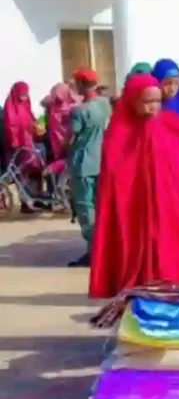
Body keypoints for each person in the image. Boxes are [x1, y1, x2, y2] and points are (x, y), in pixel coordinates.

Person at [88, 74, 179, 299]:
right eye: (147, 101)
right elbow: (113, 176)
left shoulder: (170, 123)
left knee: (173, 252)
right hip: (135, 210)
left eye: (157, 101)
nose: (153, 107)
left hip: (168, 206)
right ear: (132, 101)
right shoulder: (119, 134)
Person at [66, 67, 111, 267]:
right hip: (102, 161)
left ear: (81, 84)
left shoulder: (79, 111)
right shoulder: (105, 105)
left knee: (86, 209)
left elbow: (70, 138)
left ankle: (94, 252)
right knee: (101, 207)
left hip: (83, 164)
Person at [2, 82, 45, 209]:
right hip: (16, 146)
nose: (24, 95)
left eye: (26, 93)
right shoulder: (10, 105)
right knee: (20, 173)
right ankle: (25, 202)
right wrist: (15, 142)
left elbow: (31, 118)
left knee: (35, 170)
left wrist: (36, 127)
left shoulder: (26, 103)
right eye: (21, 93)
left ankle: (37, 197)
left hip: (28, 143)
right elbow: (10, 125)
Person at [152, 58, 179, 123]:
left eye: (176, 83)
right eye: (168, 84)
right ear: (157, 82)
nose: (172, 89)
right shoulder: (150, 109)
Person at [45, 82, 77, 163]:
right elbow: (43, 102)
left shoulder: (73, 107)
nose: (57, 97)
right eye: (55, 94)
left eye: (59, 94)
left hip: (67, 138)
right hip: (55, 138)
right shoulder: (52, 105)